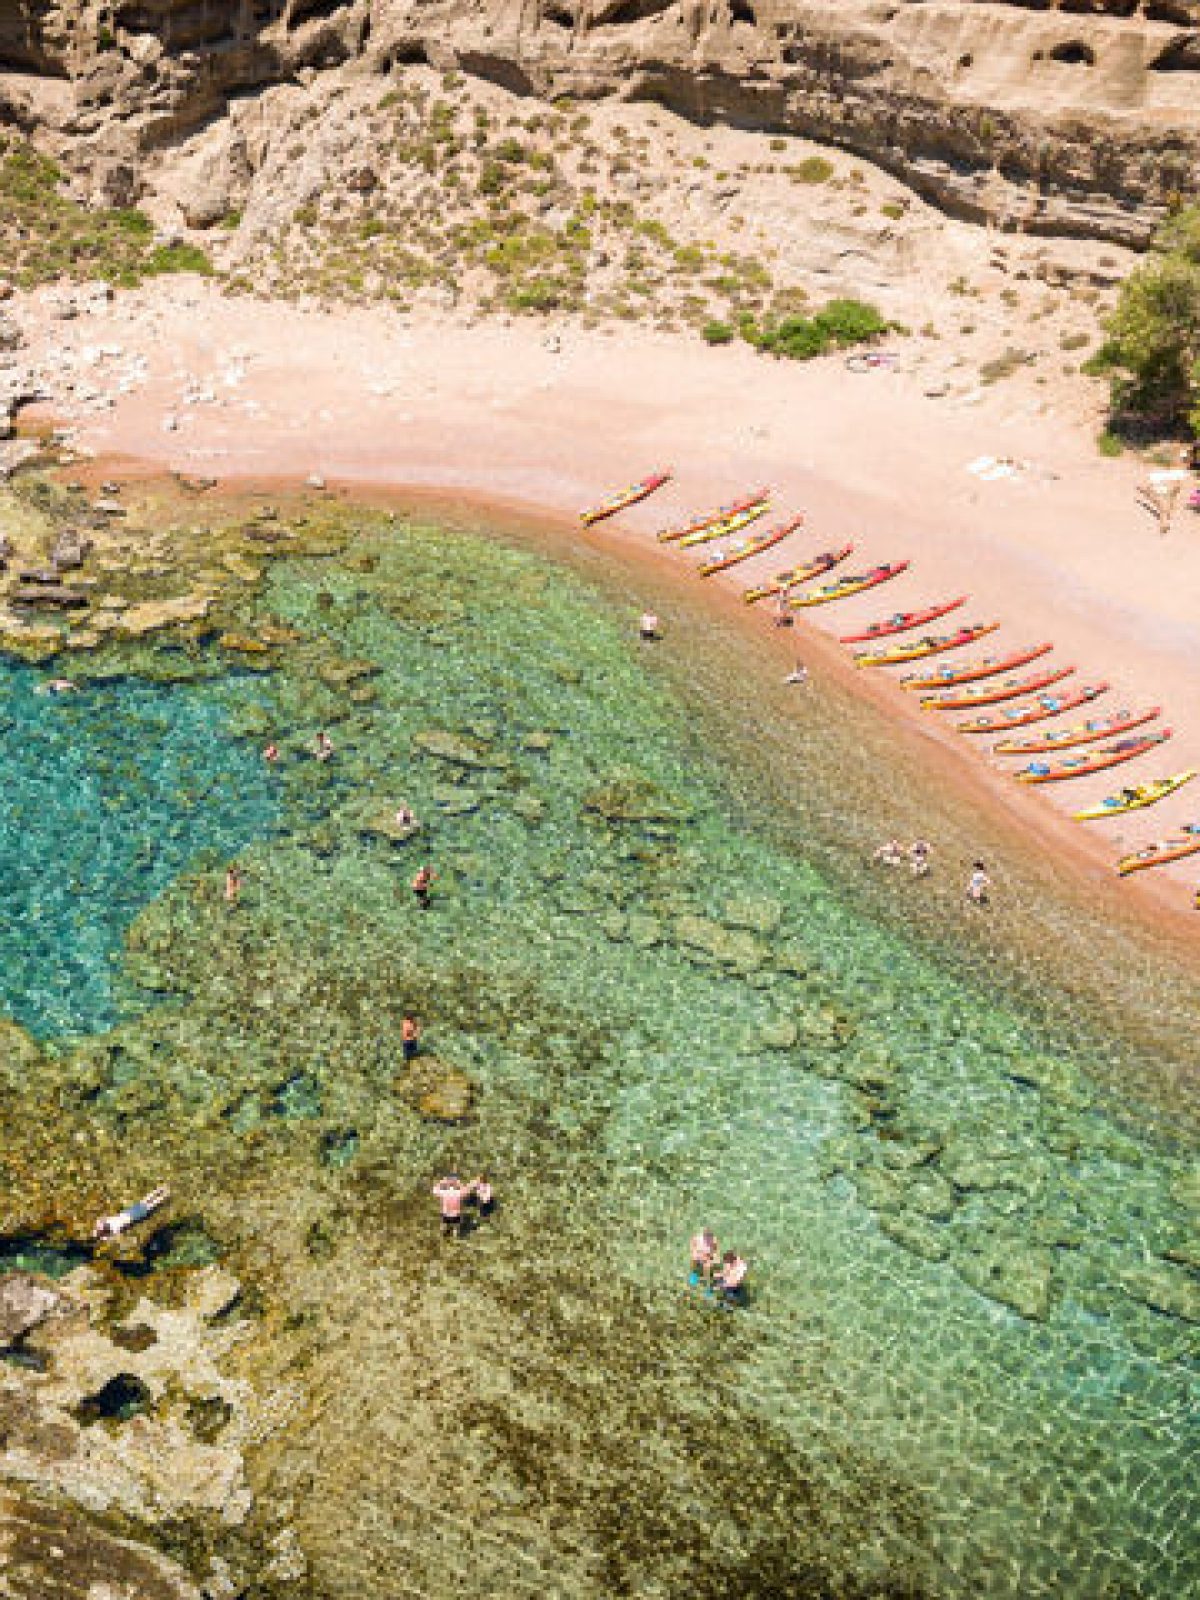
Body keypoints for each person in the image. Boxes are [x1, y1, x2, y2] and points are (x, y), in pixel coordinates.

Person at [93, 1185, 171, 1241]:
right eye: (99, 1230)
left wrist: (100, 1232)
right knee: (147, 1204)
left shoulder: (110, 1228)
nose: (99, 1228)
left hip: (129, 1214)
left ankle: (161, 1192)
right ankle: (162, 1192)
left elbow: (100, 1220)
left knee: (146, 1203)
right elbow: (102, 1221)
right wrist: (102, 1233)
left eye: (98, 1229)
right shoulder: (111, 1228)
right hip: (130, 1215)